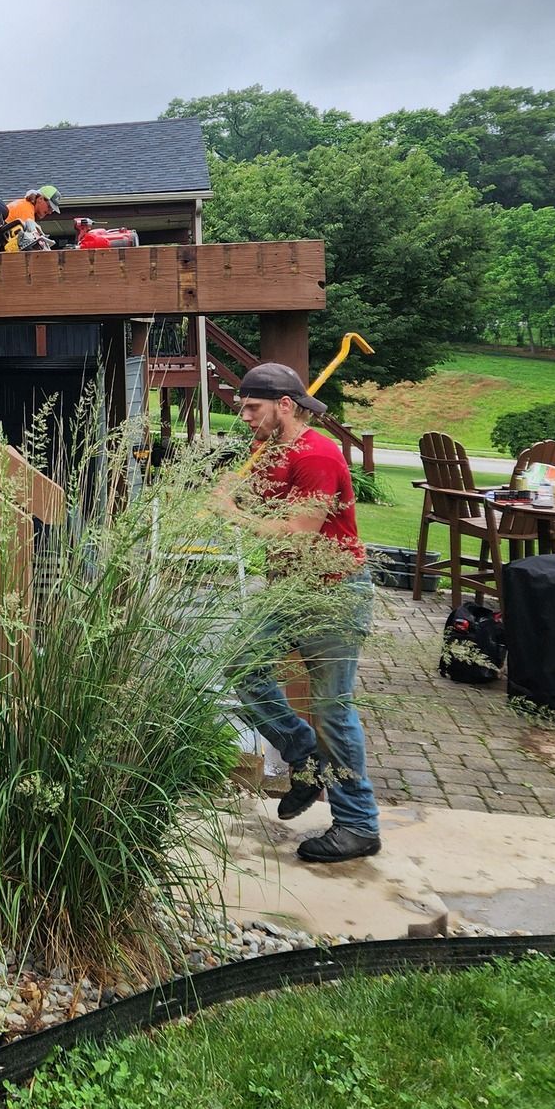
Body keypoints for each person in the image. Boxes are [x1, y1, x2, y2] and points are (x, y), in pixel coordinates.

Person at [216, 361, 381, 863]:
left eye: (252, 407)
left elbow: (299, 531)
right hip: (286, 589)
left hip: (332, 592)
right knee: (243, 668)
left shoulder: (319, 455)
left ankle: (358, 825)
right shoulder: (266, 449)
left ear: (285, 405)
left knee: (333, 711)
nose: (244, 416)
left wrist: (231, 512)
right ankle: (305, 756)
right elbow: (258, 498)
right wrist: (228, 488)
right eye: (242, 407)